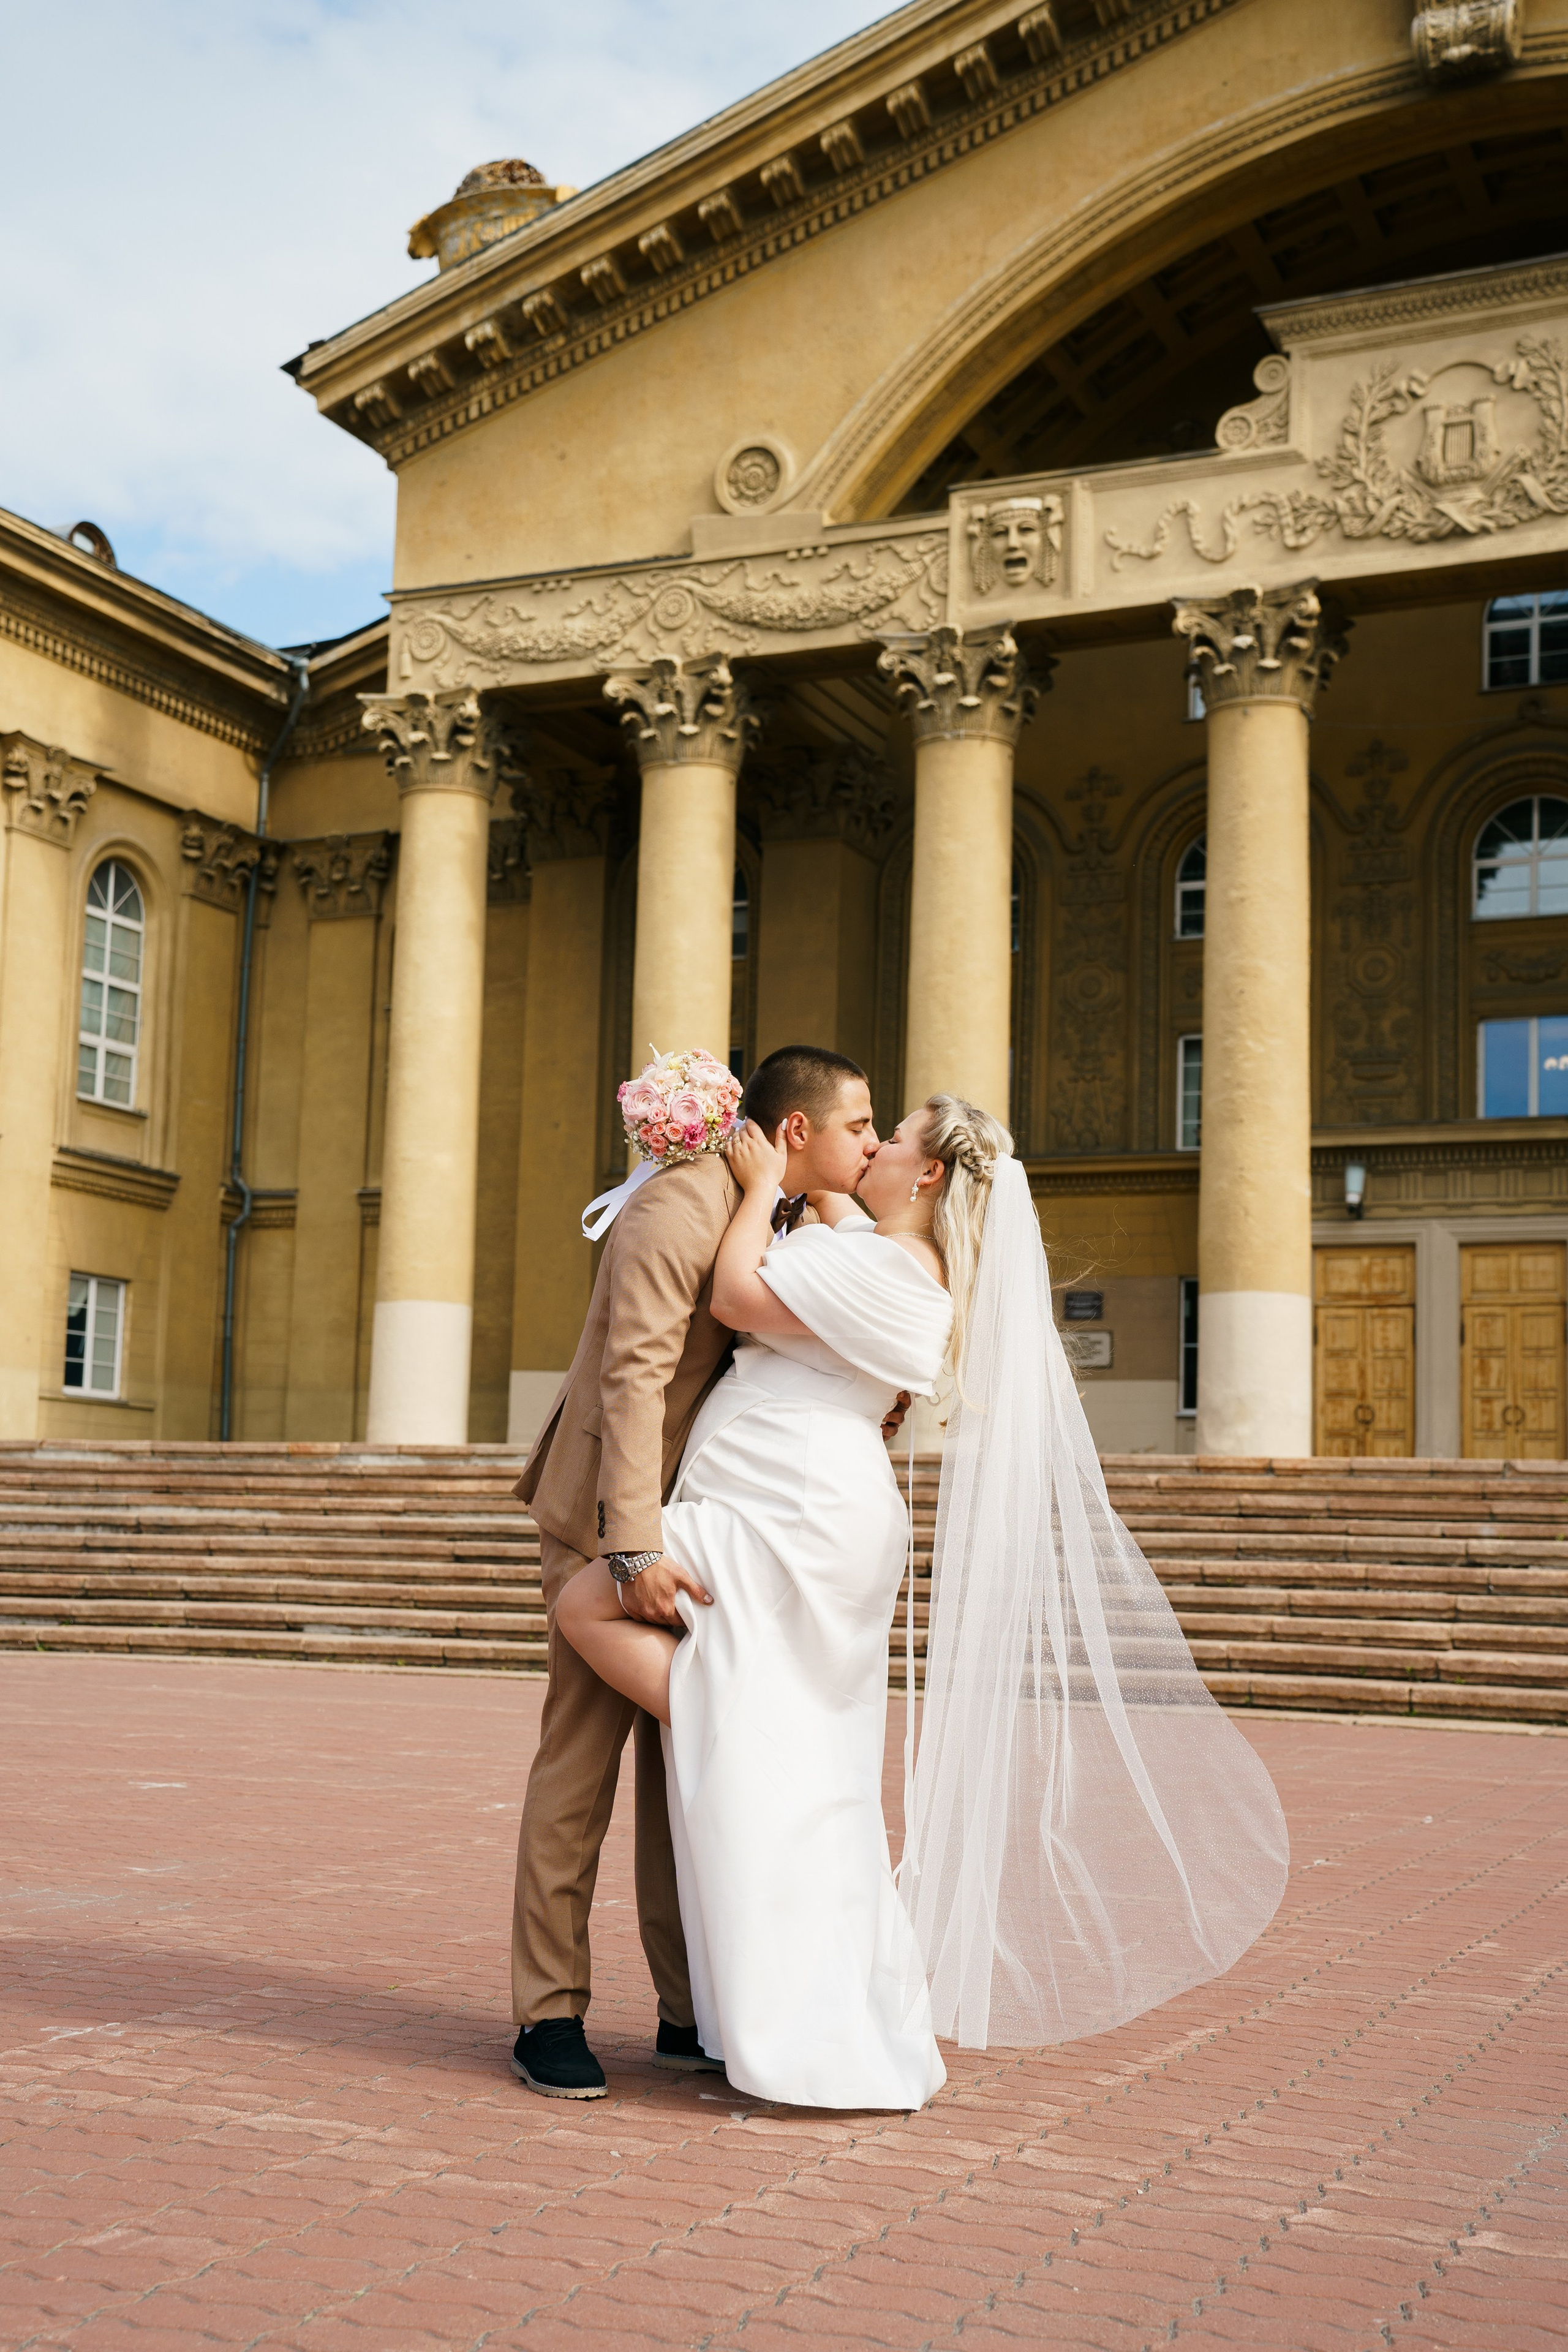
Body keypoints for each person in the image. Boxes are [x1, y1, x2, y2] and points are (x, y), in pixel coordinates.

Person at [560, 1092, 1291, 2109]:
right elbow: (841, 1231)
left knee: (589, 1607)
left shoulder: (892, 1268)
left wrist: (767, 1181)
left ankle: (750, 1740)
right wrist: (813, 1199)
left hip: (795, 1503)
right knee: (817, 1766)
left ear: (932, 1173)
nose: (876, 1147)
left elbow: (734, 1298)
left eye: (891, 1137)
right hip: (804, 1497)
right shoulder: (901, 1262)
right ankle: (761, 1771)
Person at [508, 1044, 900, 2100]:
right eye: (859, 1123)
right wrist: (630, 1546)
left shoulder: (788, 1214)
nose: (873, 1140)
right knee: (580, 1768)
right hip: (614, 1514)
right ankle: (548, 2013)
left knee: (696, 1765)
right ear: (795, 1133)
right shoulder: (679, 1201)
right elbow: (631, 1375)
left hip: (719, 1525)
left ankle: (688, 2010)